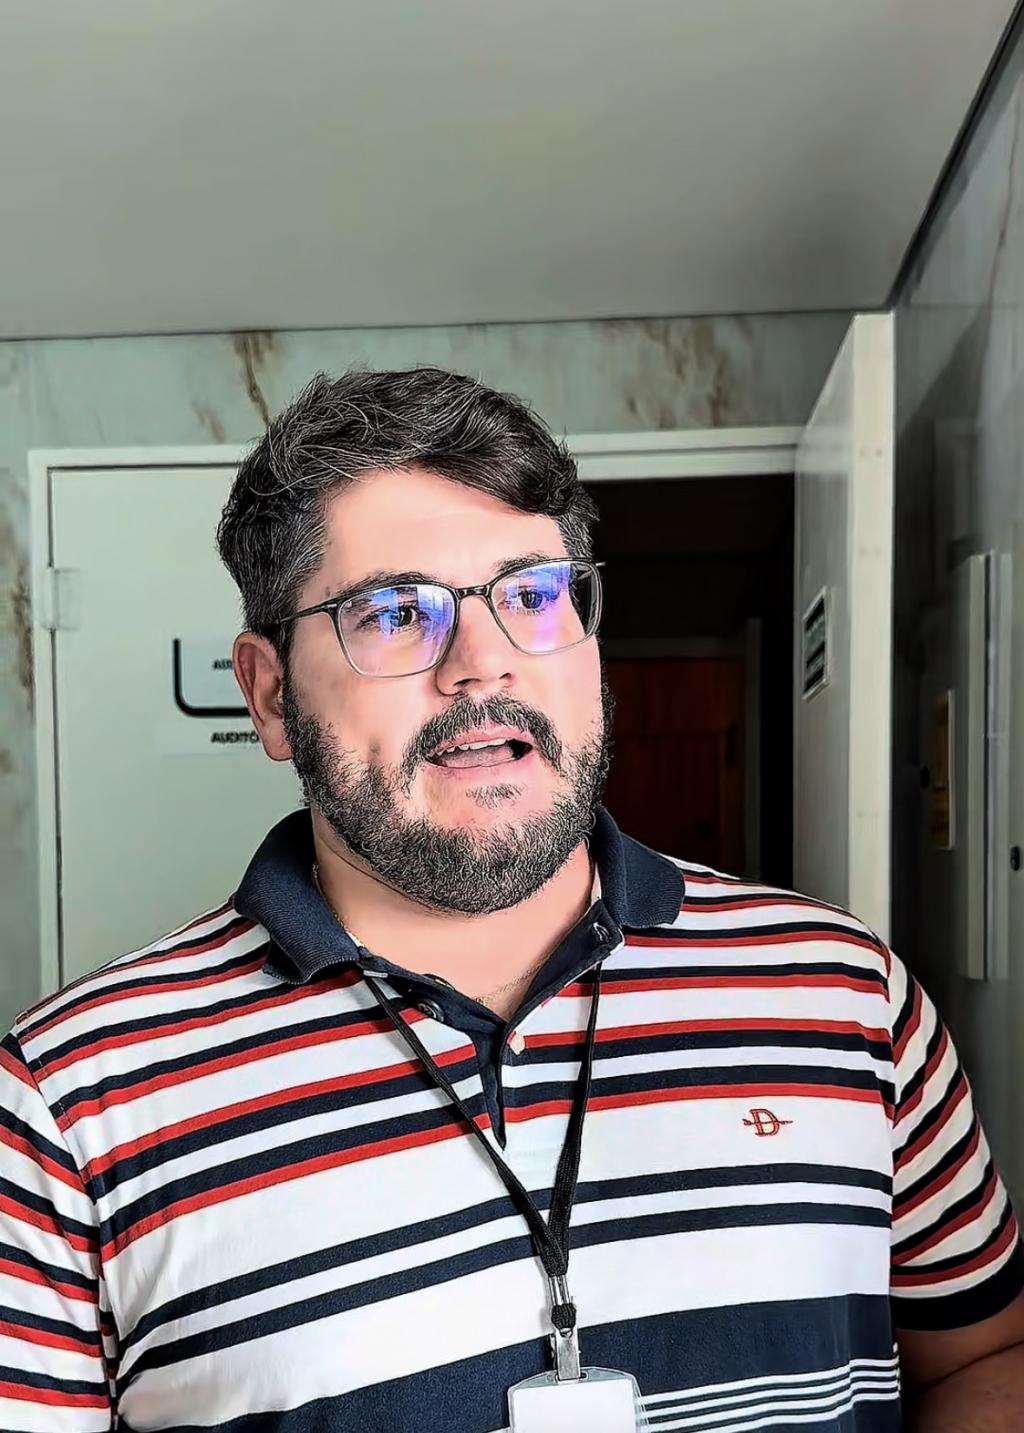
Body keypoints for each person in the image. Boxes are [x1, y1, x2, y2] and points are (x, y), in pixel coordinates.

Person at [2, 368, 1022, 1433]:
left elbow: (982, 1355)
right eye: (395, 611)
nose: (483, 666)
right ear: (269, 693)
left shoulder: (843, 992)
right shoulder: (68, 1105)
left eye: (533, 595)